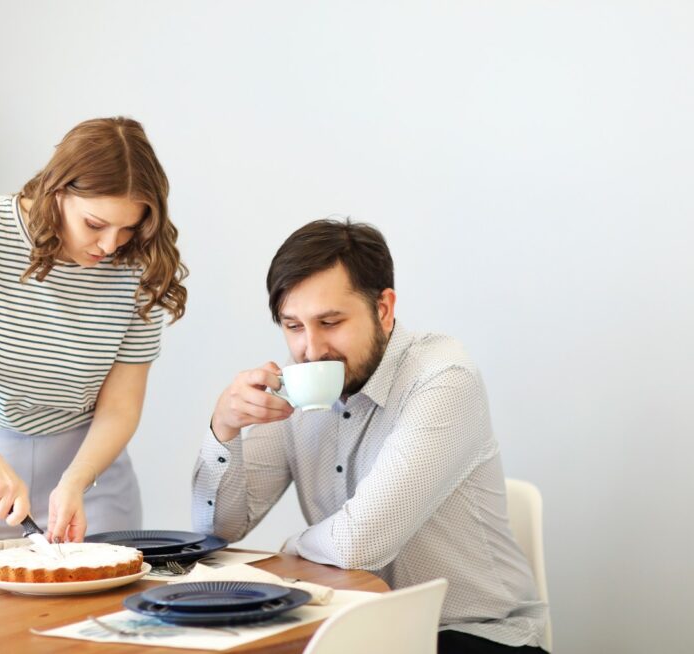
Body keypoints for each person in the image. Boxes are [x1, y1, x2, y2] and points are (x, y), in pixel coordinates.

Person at [192, 219, 548, 653]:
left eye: (330, 321)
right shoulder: (298, 381)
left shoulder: (443, 378)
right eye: (293, 326)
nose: (312, 349)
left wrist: (292, 548)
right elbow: (220, 531)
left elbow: (361, 543)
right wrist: (224, 430)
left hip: (470, 633)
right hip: (357, 633)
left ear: (383, 308)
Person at [0, 117, 186, 543]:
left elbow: (121, 405)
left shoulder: (140, 264)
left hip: (88, 469)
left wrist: (77, 480)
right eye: (95, 224)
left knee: (106, 603)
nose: (110, 246)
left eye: (127, 229)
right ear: (57, 191)